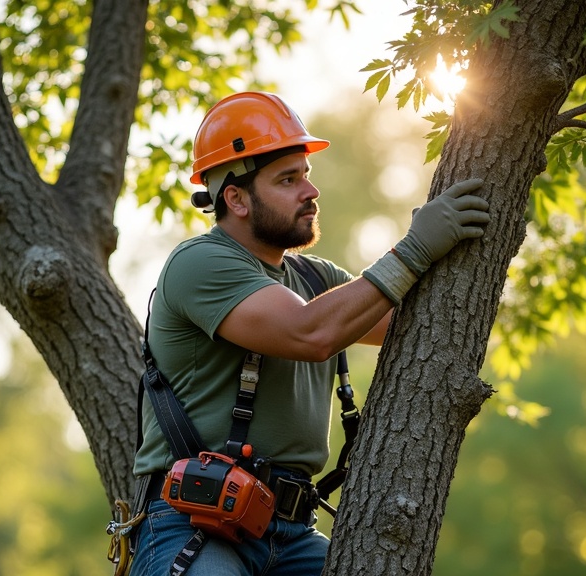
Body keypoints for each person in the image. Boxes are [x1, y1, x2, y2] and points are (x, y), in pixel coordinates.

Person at [128, 91, 490, 575]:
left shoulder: (315, 278)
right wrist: (417, 248)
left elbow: (414, 327)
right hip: (191, 521)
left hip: (291, 532)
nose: (310, 191)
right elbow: (311, 332)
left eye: (307, 176)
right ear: (234, 198)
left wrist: (468, 253)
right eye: (288, 179)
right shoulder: (199, 263)